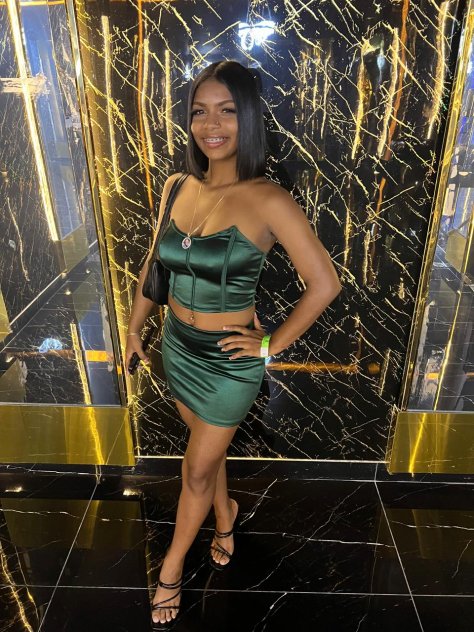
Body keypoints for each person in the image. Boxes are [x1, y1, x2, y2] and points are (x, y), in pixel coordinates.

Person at [125, 60, 341, 628]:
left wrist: (269, 345)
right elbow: (154, 265)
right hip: (177, 346)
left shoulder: (269, 199)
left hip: (226, 362)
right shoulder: (178, 185)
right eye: (200, 112)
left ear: (248, 117)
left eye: (225, 111)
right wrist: (134, 327)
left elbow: (325, 284)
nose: (211, 125)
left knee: (196, 469)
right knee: (206, 452)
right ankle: (225, 515)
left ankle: (171, 569)